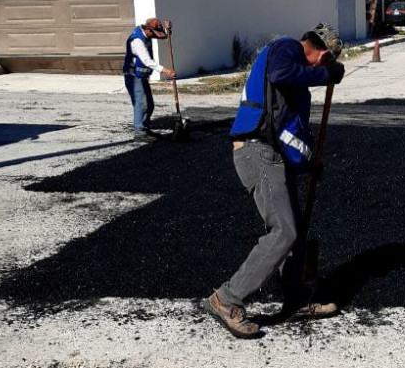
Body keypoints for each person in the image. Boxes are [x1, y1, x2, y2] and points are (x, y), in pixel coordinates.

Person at [202, 23, 345, 339]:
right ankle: (226, 298)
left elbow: (288, 128)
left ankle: (296, 299)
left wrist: (308, 163)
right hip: (257, 151)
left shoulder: (294, 76)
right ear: (322, 54)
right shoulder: (286, 48)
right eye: (325, 62)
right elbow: (281, 74)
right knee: (284, 230)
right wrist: (325, 75)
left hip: (274, 155)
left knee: (296, 231)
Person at [123, 18, 176, 140]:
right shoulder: (137, 40)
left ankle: (145, 128)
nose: (155, 36)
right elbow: (147, 61)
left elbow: (162, 36)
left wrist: (168, 31)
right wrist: (166, 71)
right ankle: (140, 133)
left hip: (141, 76)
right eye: (154, 33)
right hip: (133, 76)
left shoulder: (147, 33)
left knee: (150, 105)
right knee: (141, 104)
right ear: (148, 29)